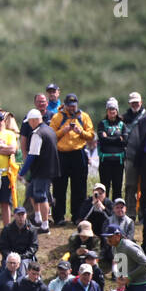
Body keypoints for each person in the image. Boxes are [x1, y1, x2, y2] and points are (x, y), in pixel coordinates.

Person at [49, 93, 95, 226]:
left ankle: (77, 216)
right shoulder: (57, 117)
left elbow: (91, 135)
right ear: (65, 105)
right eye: (69, 106)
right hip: (61, 155)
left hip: (78, 154)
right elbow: (51, 135)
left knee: (79, 188)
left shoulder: (84, 117)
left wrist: (80, 132)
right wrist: (64, 130)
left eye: (74, 106)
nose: (71, 108)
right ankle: (58, 217)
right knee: (59, 187)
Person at [21, 109, 59, 233]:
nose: (29, 124)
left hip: (42, 169)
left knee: (41, 196)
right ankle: (37, 218)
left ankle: (45, 225)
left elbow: (32, 155)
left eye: (29, 122)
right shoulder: (49, 130)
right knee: (31, 192)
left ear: (33, 120)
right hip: (49, 167)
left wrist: (22, 172)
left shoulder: (37, 133)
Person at [96, 98, 128, 200]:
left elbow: (125, 141)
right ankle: (105, 210)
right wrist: (118, 139)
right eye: (109, 109)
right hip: (105, 160)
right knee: (104, 187)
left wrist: (108, 138)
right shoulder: (102, 124)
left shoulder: (122, 124)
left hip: (118, 161)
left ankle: (117, 211)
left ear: (117, 110)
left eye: (114, 109)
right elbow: (102, 140)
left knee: (117, 187)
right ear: (107, 110)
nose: (112, 111)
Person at [123, 92, 146, 210]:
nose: (135, 104)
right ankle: (130, 213)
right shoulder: (123, 118)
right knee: (130, 186)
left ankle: (144, 213)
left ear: (141, 102)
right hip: (130, 156)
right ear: (129, 103)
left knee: (145, 186)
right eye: (132, 102)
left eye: (137, 102)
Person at [0, 207, 37, 275]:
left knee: (22, 266)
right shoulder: (7, 229)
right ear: (14, 215)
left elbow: (34, 247)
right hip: (10, 256)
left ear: (26, 215)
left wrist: (22, 256)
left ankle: (20, 284)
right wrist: (11, 256)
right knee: (6, 269)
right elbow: (3, 247)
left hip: (26, 257)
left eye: (22, 214)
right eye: (19, 215)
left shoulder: (32, 229)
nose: (21, 217)